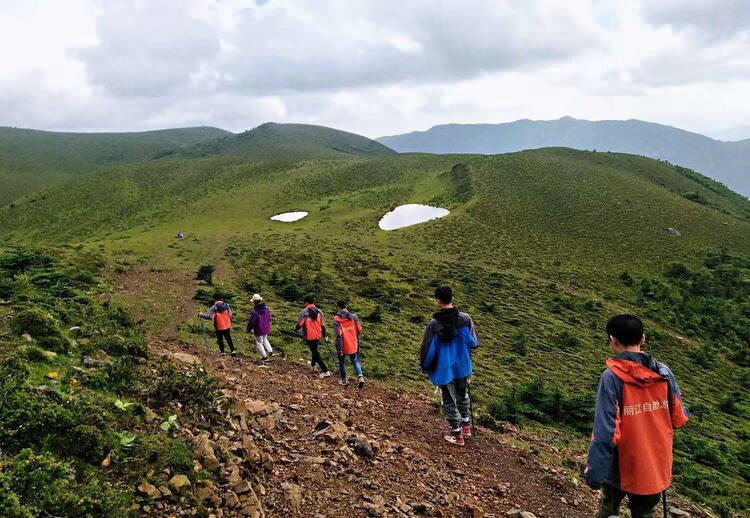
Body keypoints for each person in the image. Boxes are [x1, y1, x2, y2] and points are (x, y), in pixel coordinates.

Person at [585, 314, 689, 518]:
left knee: (609, 508)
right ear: (643, 339)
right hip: (654, 465)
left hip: (620, 467)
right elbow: (679, 417)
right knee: (646, 511)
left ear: (612, 341)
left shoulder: (611, 378)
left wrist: (594, 474)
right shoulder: (663, 373)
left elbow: (605, 431)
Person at [420, 286, 479, 446]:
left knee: (449, 400)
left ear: (438, 301)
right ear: (452, 298)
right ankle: (466, 427)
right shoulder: (466, 319)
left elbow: (428, 350)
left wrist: (424, 366)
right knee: (463, 395)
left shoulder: (434, 324)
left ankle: (457, 435)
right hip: (463, 366)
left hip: (445, 369)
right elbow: (474, 343)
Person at [295, 294, 331, 378]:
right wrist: (325, 335)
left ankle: (326, 371)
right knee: (314, 350)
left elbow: (300, 324)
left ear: (306, 302)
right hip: (318, 334)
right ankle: (312, 364)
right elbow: (322, 325)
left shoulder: (304, 312)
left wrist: (295, 328)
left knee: (315, 353)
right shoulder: (319, 311)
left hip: (309, 335)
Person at [333, 300, 364, 389]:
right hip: (353, 343)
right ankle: (360, 377)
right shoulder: (354, 317)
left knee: (341, 362)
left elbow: (338, 336)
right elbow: (359, 329)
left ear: (338, 307)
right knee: (355, 360)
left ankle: (343, 380)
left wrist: (339, 348)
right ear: (346, 306)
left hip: (343, 344)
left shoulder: (336, 320)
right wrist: (353, 336)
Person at [246, 293, 273, 362]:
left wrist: (248, 329)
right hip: (266, 327)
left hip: (258, 329)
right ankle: (270, 351)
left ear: (254, 302)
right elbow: (269, 318)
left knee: (259, 343)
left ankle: (264, 356)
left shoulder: (254, 311)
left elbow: (252, 322)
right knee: (265, 339)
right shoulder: (266, 308)